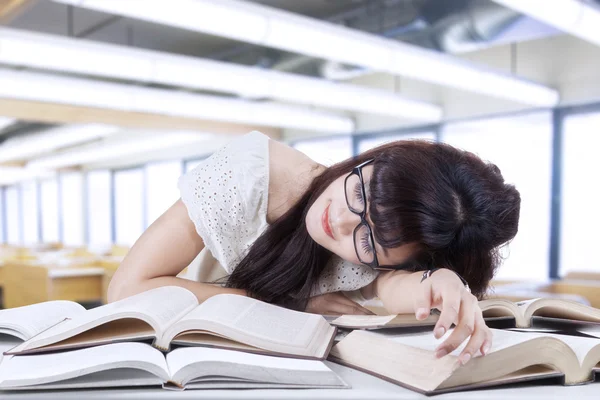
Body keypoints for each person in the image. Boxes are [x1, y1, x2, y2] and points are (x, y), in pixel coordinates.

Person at [108, 131, 520, 366]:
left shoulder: (369, 264)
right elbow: (126, 289)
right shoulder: (252, 170)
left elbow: (393, 286)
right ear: (375, 159)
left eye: (367, 239)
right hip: (164, 355)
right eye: (360, 191)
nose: (339, 219)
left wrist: (439, 281)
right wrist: (292, 304)